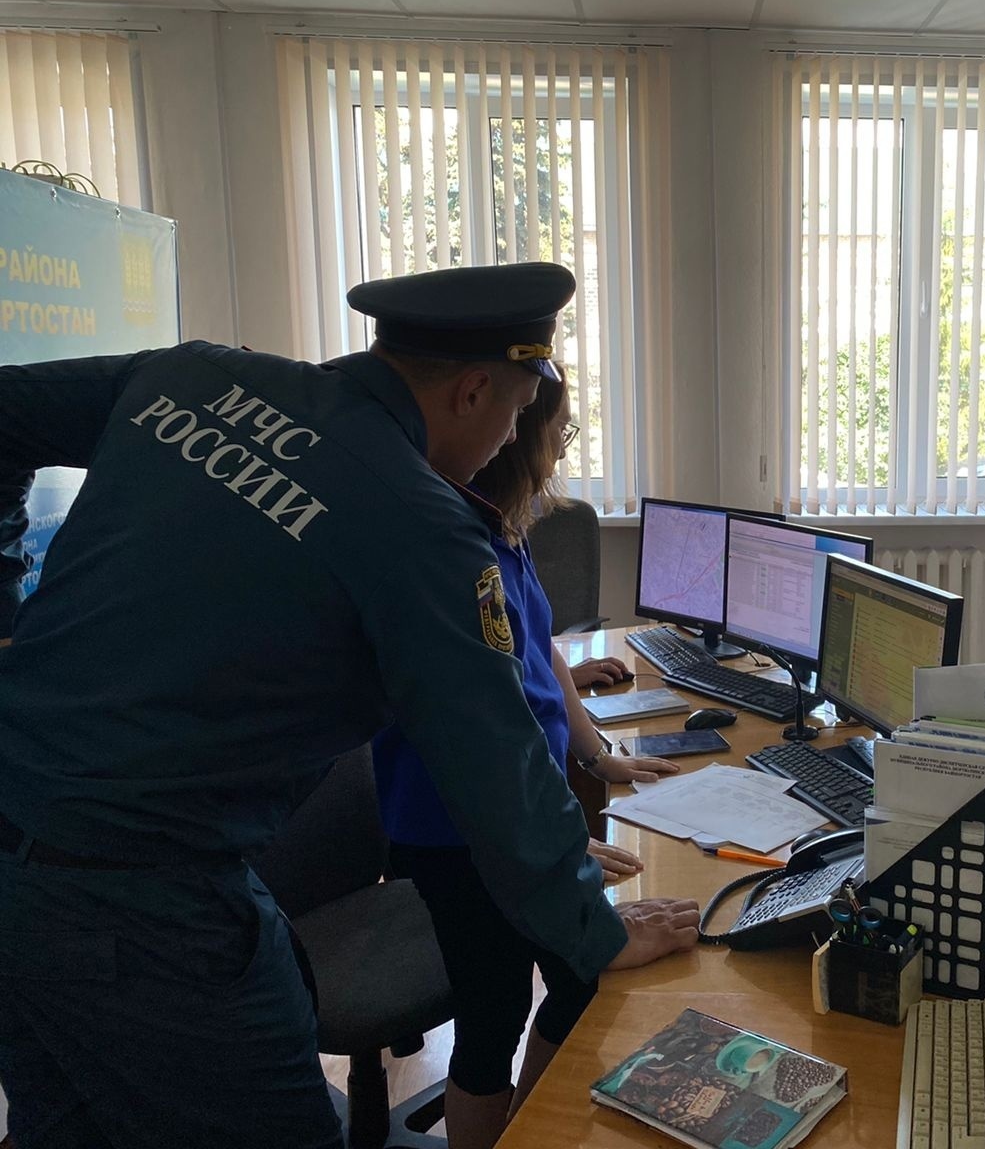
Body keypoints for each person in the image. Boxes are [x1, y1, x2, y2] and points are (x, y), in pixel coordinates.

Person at [0, 262, 699, 1148]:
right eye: (519, 411)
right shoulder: (423, 527)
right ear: (474, 390)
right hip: (148, 907)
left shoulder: (192, 373)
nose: (509, 440)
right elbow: (502, 768)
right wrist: (594, 934)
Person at [374, 364, 678, 1149]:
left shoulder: (500, 527)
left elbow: (536, 647)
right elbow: (481, 731)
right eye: (554, 431)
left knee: (578, 974)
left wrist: (599, 757)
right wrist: (553, 845)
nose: (559, 448)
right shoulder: (444, 544)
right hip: (458, 828)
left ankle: (524, 1129)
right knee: (495, 1010)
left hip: (513, 815)